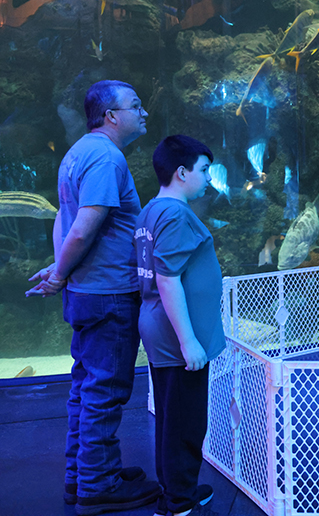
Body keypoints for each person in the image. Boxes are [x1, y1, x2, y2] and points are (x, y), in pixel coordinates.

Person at [25, 80, 161, 514]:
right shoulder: (106, 156)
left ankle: (81, 474)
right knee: (106, 388)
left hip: (87, 290)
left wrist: (59, 269)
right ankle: (98, 487)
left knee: (85, 386)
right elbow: (85, 224)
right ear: (111, 116)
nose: (144, 113)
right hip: (109, 293)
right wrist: (59, 273)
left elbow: (62, 221)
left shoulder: (78, 152)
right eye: (135, 106)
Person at [134, 135, 225, 516]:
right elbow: (168, 277)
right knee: (185, 423)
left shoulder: (151, 210)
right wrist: (189, 341)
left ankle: (175, 490)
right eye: (204, 170)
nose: (208, 177)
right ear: (181, 172)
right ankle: (179, 502)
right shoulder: (174, 214)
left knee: (172, 418)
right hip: (175, 335)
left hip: (158, 327)